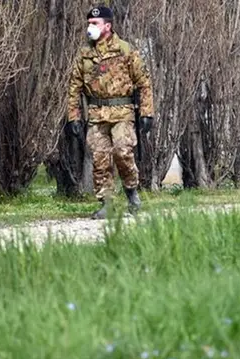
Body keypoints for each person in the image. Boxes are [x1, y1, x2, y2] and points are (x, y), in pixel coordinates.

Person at [65, 6, 154, 219]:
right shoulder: (85, 54)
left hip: (122, 112)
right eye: (89, 23)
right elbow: (74, 87)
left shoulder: (125, 50)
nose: (90, 27)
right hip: (96, 114)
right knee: (100, 159)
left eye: (94, 23)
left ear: (107, 25)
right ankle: (107, 203)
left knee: (123, 151)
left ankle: (131, 192)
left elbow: (144, 83)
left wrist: (146, 112)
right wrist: (74, 116)